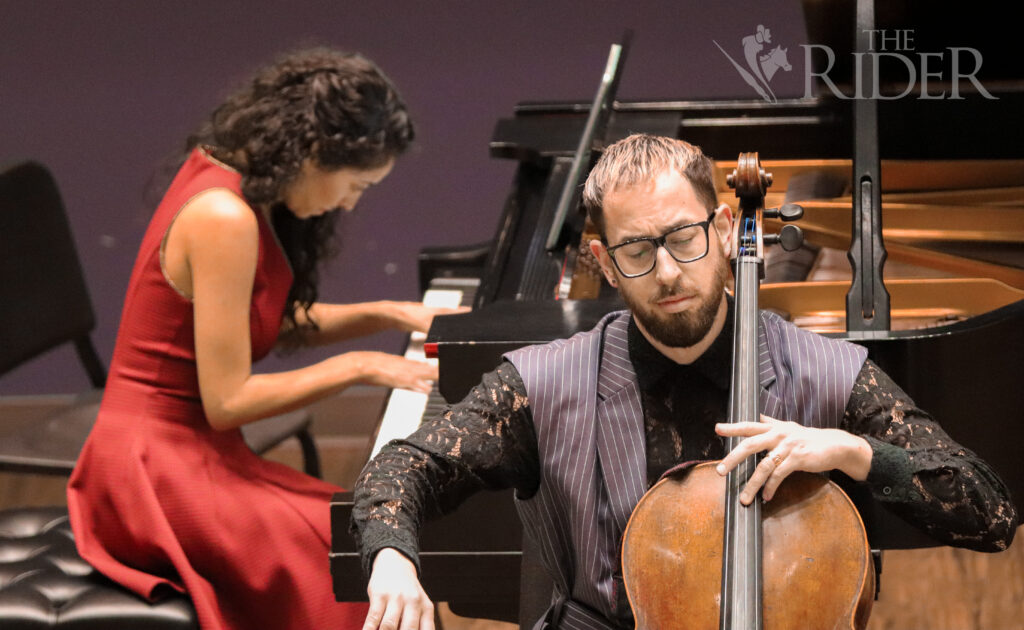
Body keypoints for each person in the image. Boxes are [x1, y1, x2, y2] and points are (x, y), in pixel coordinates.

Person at [350, 134, 1018, 630]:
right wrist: (392, 560)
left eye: (684, 238)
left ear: (727, 231)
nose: (668, 272)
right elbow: (403, 468)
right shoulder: (543, 384)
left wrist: (852, 451)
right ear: (605, 266)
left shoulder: (825, 372)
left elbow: (991, 514)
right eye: (638, 251)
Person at [67, 48, 453, 630]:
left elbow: (253, 323)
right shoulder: (224, 218)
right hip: (152, 471)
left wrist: (387, 312)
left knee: (360, 536)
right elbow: (228, 404)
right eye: (356, 184)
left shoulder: (229, 176)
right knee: (351, 566)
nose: (350, 202)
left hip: (179, 452)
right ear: (315, 152)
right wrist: (361, 367)